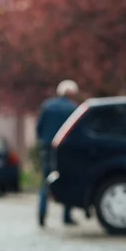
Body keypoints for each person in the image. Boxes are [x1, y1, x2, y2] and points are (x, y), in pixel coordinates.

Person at [36, 79, 80, 227]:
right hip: (65, 149)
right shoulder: (73, 108)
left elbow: (39, 128)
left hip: (48, 147)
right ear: (72, 93)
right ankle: (67, 216)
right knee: (67, 179)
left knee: (46, 180)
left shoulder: (47, 106)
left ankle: (42, 213)